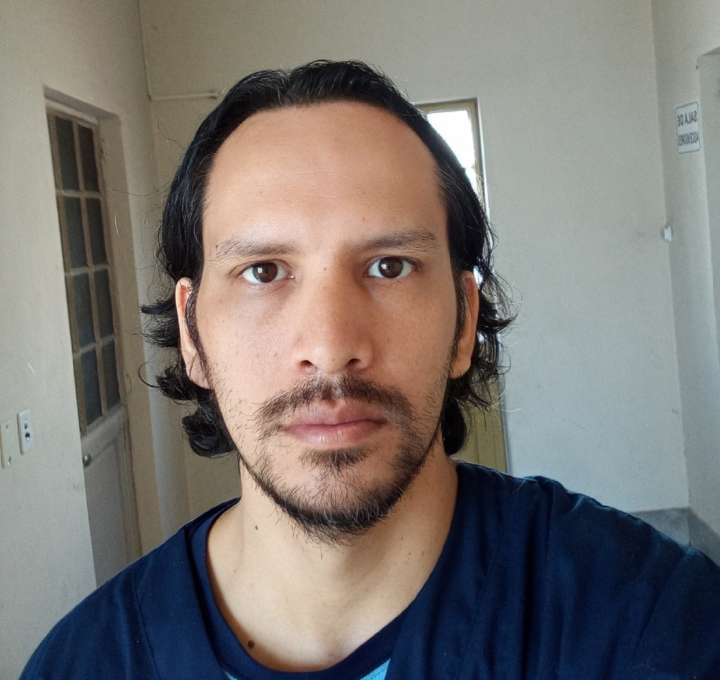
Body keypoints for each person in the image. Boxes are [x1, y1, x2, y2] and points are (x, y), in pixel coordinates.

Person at [23, 61, 720, 679]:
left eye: (390, 266)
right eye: (263, 271)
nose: (330, 347)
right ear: (191, 333)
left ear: (464, 321)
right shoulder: (81, 664)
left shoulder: (651, 622)